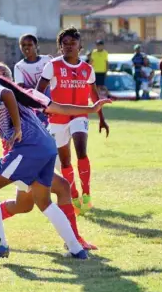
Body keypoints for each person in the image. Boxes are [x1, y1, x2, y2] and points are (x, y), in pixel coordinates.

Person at [0, 59, 110, 258]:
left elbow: (7, 95)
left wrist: (16, 128)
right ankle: (76, 249)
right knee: (42, 202)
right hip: (47, 148)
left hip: (28, 149)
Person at [0, 59, 98, 251]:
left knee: (24, 205)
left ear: (9, 79)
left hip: (36, 155)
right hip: (20, 159)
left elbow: (59, 108)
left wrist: (90, 109)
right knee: (60, 189)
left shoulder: (26, 95)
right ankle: (74, 242)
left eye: (0, 76)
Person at [36, 27, 110, 215]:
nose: (69, 46)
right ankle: (74, 194)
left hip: (80, 116)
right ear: (60, 47)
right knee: (65, 161)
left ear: (80, 46)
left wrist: (101, 118)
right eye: (65, 44)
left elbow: (94, 95)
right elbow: (39, 91)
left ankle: (86, 193)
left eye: (73, 43)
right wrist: (39, 112)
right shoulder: (52, 66)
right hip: (57, 118)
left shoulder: (87, 69)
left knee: (81, 151)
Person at [14, 34, 52, 127]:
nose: (26, 47)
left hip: (52, 102)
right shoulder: (19, 66)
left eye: (30, 45)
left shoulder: (47, 60)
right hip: (34, 106)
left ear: (36, 46)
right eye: (23, 45)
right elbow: (20, 88)